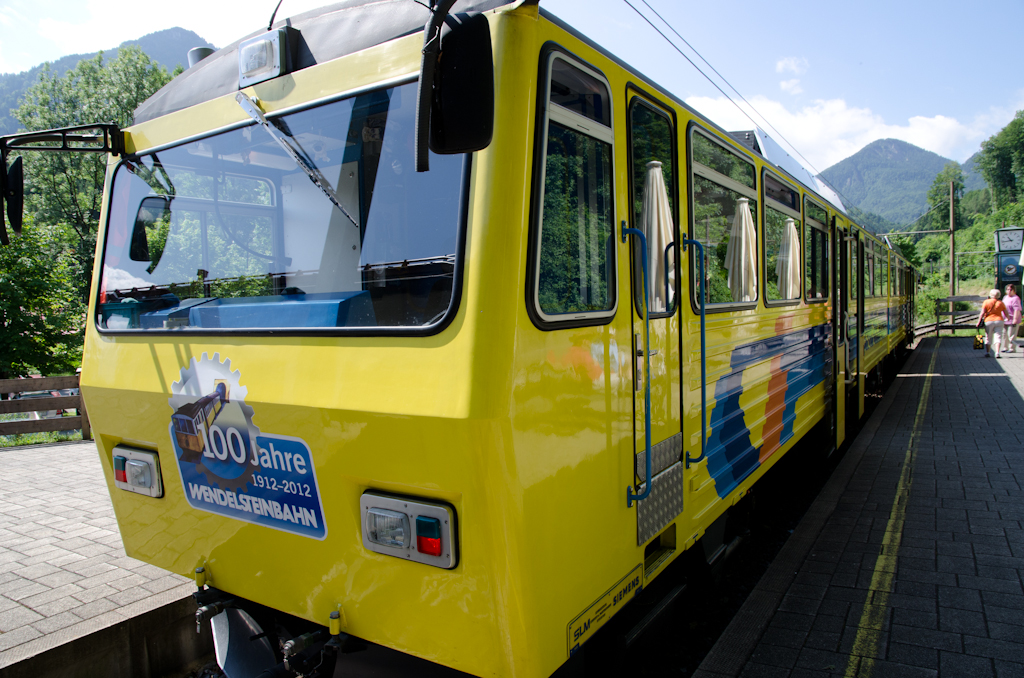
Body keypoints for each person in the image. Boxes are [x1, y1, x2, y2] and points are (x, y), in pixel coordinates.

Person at [980, 289, 1007, 358]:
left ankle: (987, 352)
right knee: (998, 337)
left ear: (990, 295)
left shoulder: (986, 302)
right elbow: (1005, 312)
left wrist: (979, 321)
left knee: (988, 337)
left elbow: (982, 313)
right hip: (999, 320)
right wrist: (1008, 319)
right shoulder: (1000, 303)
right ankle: (997, 352)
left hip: (988, 321)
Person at [1003, 284, 1022, 353]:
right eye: (1008, 289)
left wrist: (1015, 319)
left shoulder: (1015, 298)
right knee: (1004, 334)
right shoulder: (1005, 297)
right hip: (1005, 319)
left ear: (1014, 290)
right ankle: (1005, 347)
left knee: (1011, 334)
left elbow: (1017, 309)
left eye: (1011, 289)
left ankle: (1012, 348)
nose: (1009, 291)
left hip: (1012, 319)